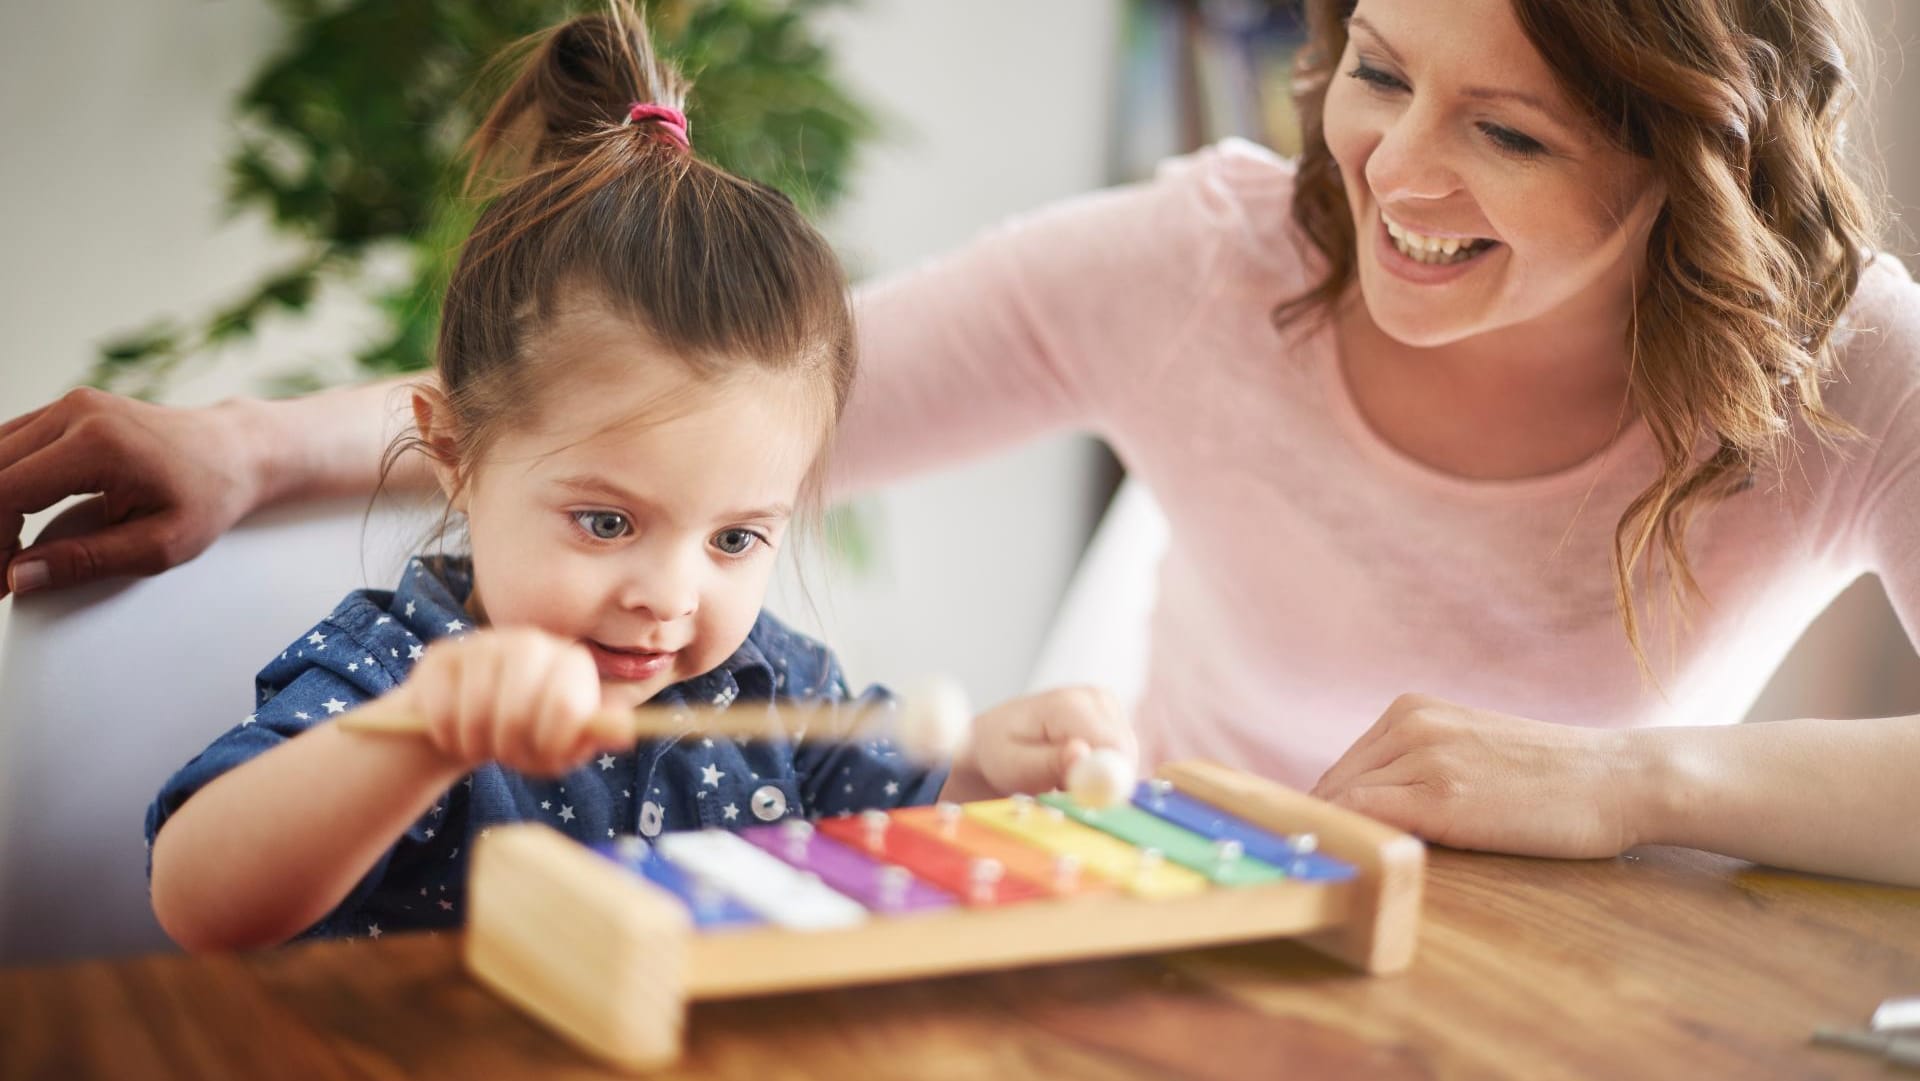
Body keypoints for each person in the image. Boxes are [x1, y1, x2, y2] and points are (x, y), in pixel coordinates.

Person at [6, 0, 1918, 886]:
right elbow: (659, 402)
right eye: (1382, 76)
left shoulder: (1860, 374)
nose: (1395, 175)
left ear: (1697, 161)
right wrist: (256, 448)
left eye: (1508, 133)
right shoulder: (1208, 258)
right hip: (1177, 943)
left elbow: (701, 470)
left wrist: (1643, 783)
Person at [135, 4, 1133, 952]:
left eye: (735, 539)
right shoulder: (395, 675)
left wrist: (983, 769)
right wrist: (415, 740)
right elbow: (199, 900)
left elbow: (907, 824)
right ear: (455, 455)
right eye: (608, 522)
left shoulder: (770, 690)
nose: (669, 595)